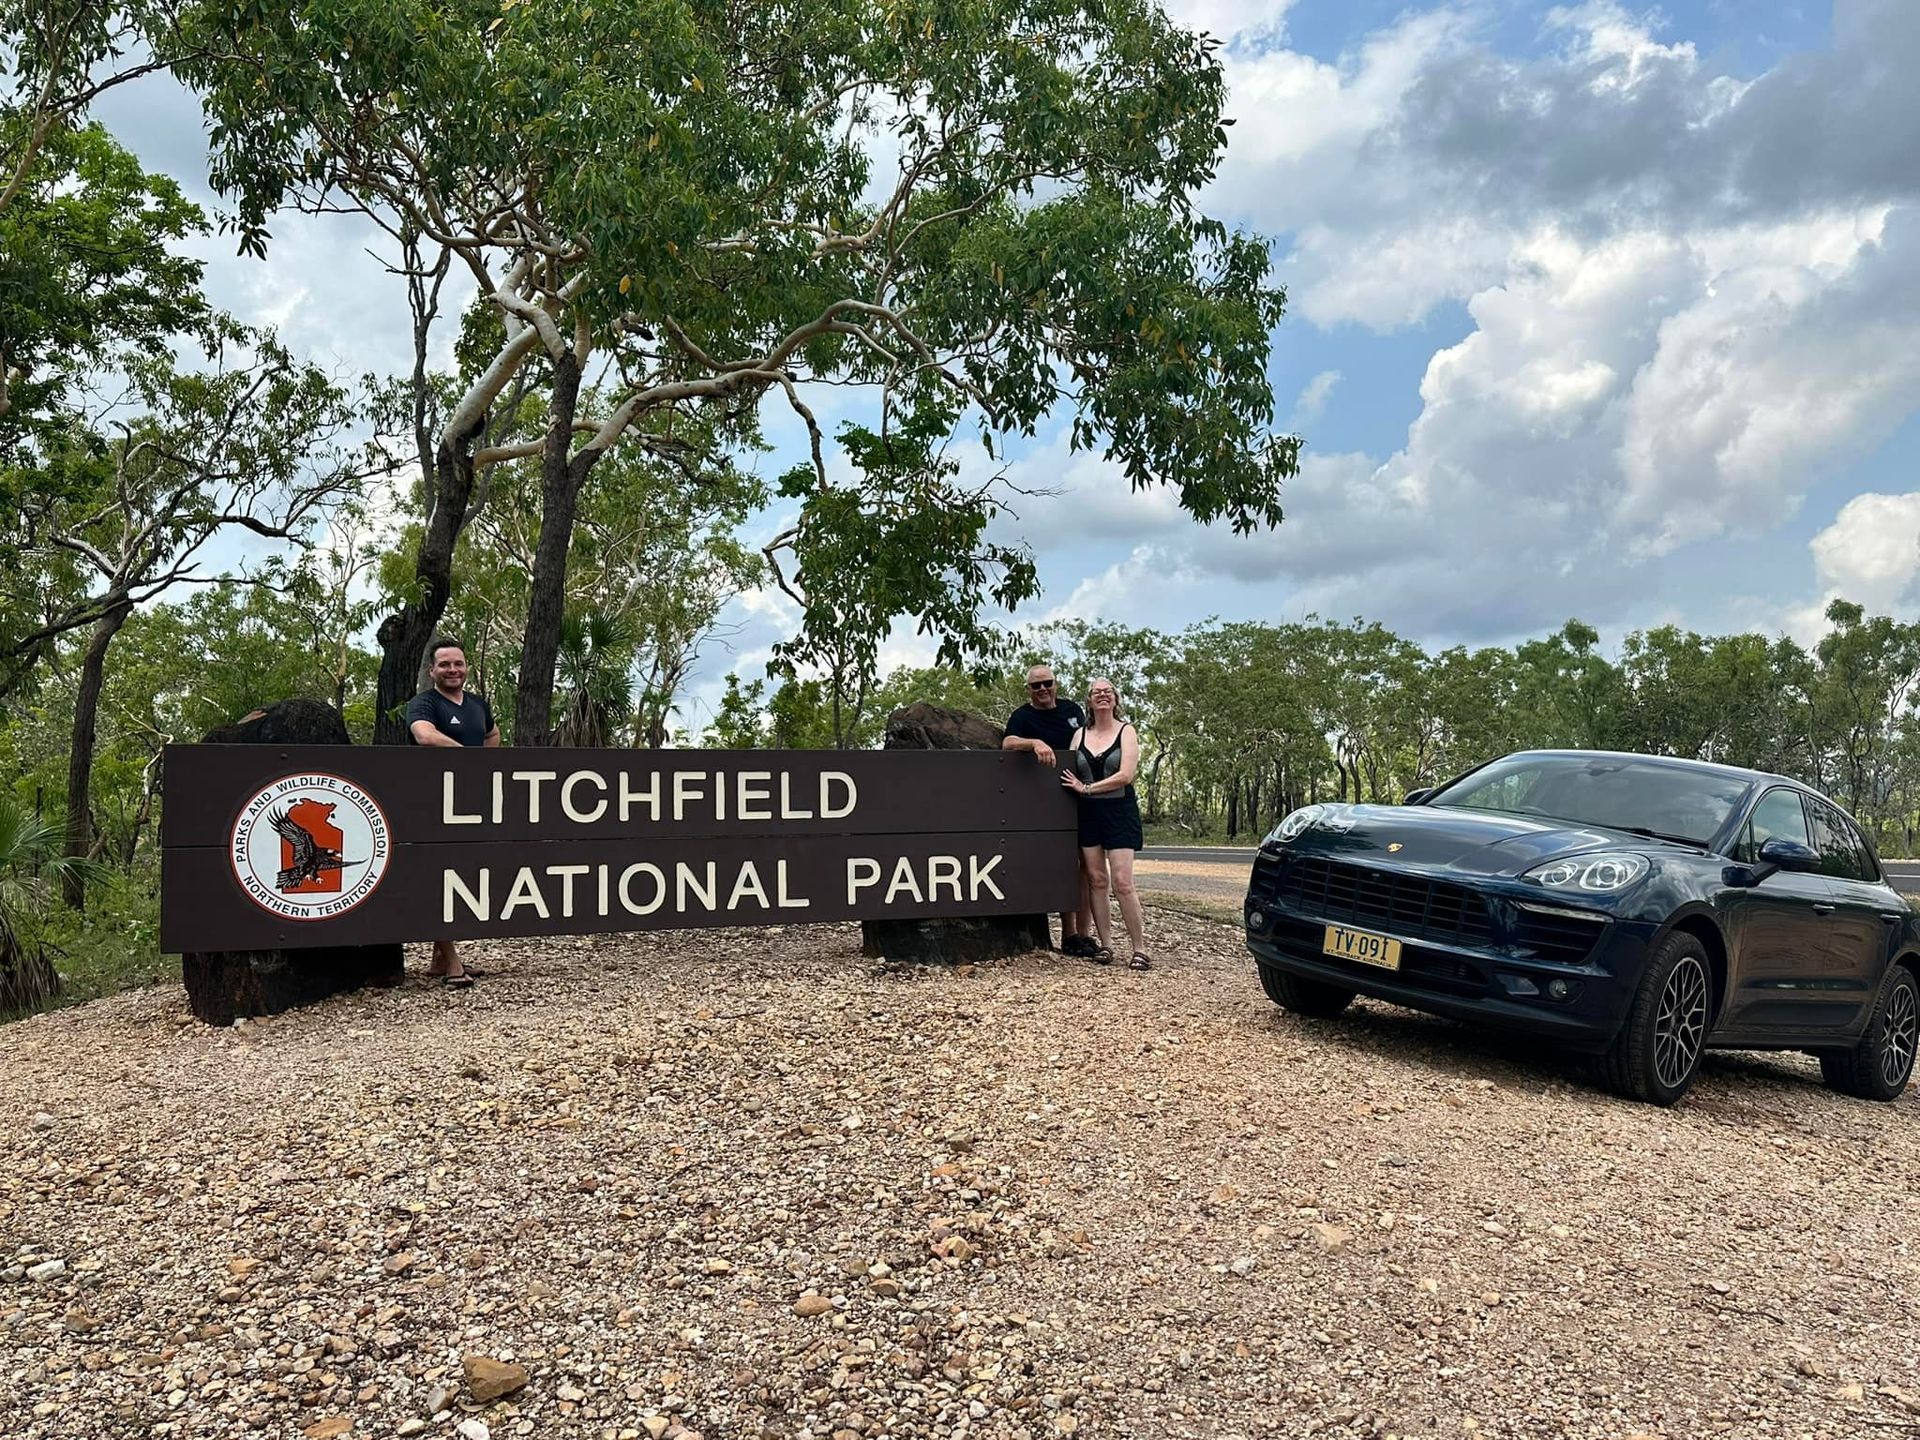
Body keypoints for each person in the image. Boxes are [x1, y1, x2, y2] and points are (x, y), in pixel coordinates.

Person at [406, 637, 499, 986]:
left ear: (466, 668)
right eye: (444, 664)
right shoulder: (424, 703)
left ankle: (437, 960)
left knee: (460, 876)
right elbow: (425, 737)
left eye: (457, 663)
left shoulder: (477, 705)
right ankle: (454, 963)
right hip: (430, 804)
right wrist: (466, 757)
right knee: (439, 878)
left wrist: (482, 769)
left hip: (467, 806)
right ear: (432, 670)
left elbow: (492, 735)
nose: (452, 670)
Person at [1003, 663, 1097, 956]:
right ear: (1029, 689)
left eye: (1047, 683)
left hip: (1079, 795)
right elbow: (1007, 743)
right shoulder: (1023, 716)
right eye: (1036, 685)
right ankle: (1067, 931)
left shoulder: (1073, 711)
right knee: (1061, 866)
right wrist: (1035, 743)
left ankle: (1081, 935)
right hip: (1042, 803)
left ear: (1056, 684)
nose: (1042, 689)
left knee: (1086, 867)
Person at [1061, 677, 1150, 969]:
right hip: (1089, 815)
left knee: (1123, 882)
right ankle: (1106, 945)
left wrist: (1086, 788)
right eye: (1097, 692)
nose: (1102, 695)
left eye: (1107, 691)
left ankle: (1139, 949)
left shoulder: (1126, 731)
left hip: (1119, 812)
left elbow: (1126, 775)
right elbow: (1068, 772)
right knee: (1097, 880)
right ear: (1089, 700)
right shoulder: (1079, 736)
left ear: (1115, 698)